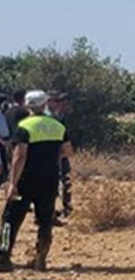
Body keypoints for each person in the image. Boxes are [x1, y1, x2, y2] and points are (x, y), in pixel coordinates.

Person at [1, 91, 72, 272]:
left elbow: (20, 156)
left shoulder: (24, 126)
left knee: (10, 219)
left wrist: (12, 183)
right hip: (49, 180)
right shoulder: (57, 126)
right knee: (45, 220)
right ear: (45, 104)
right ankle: (41, 258)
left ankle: (3, 257)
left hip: (25, 180)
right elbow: (68, 151)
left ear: (27, 105)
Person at [46, 92, 74, 220]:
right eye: (55, 101)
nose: (58, 103)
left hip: (60, 154)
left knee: (65, 180)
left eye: (59, 101)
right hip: (52, 155)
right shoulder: (48, 118)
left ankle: (64, 207)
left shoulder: (59, 116)